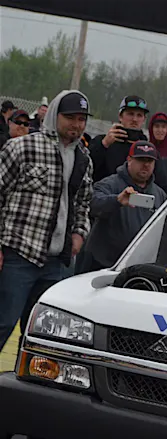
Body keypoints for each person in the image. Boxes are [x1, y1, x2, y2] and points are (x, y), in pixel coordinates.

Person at [0, 90, 94, 351]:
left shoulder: (84, 159)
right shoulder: (22, 148)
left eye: (82, 119)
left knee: (41, 339)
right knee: (3, 323)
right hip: (18, 255)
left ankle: (21, 379)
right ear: (54, 115)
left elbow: (83, 203)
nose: (76, 124)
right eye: (70, 117)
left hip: (57, 264)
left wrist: (79, 233)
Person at [79, 141, 167, 273]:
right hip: (103, 265)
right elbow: (92, 204)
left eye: (150, 161)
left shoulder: (160, 194)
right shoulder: (109, 184)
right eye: (141, 159)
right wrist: (117, 200)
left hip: (139, 267)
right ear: (129, 160)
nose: (146, 165)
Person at [89, 95, 167, 194]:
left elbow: (162, 186)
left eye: (139, 115)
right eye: (130, 114)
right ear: (120, 116)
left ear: (144, 119)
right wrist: (103, 145)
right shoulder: (102, 142)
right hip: (106, 197)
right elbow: (86, 170)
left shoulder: (149, 150)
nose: (134, 119)